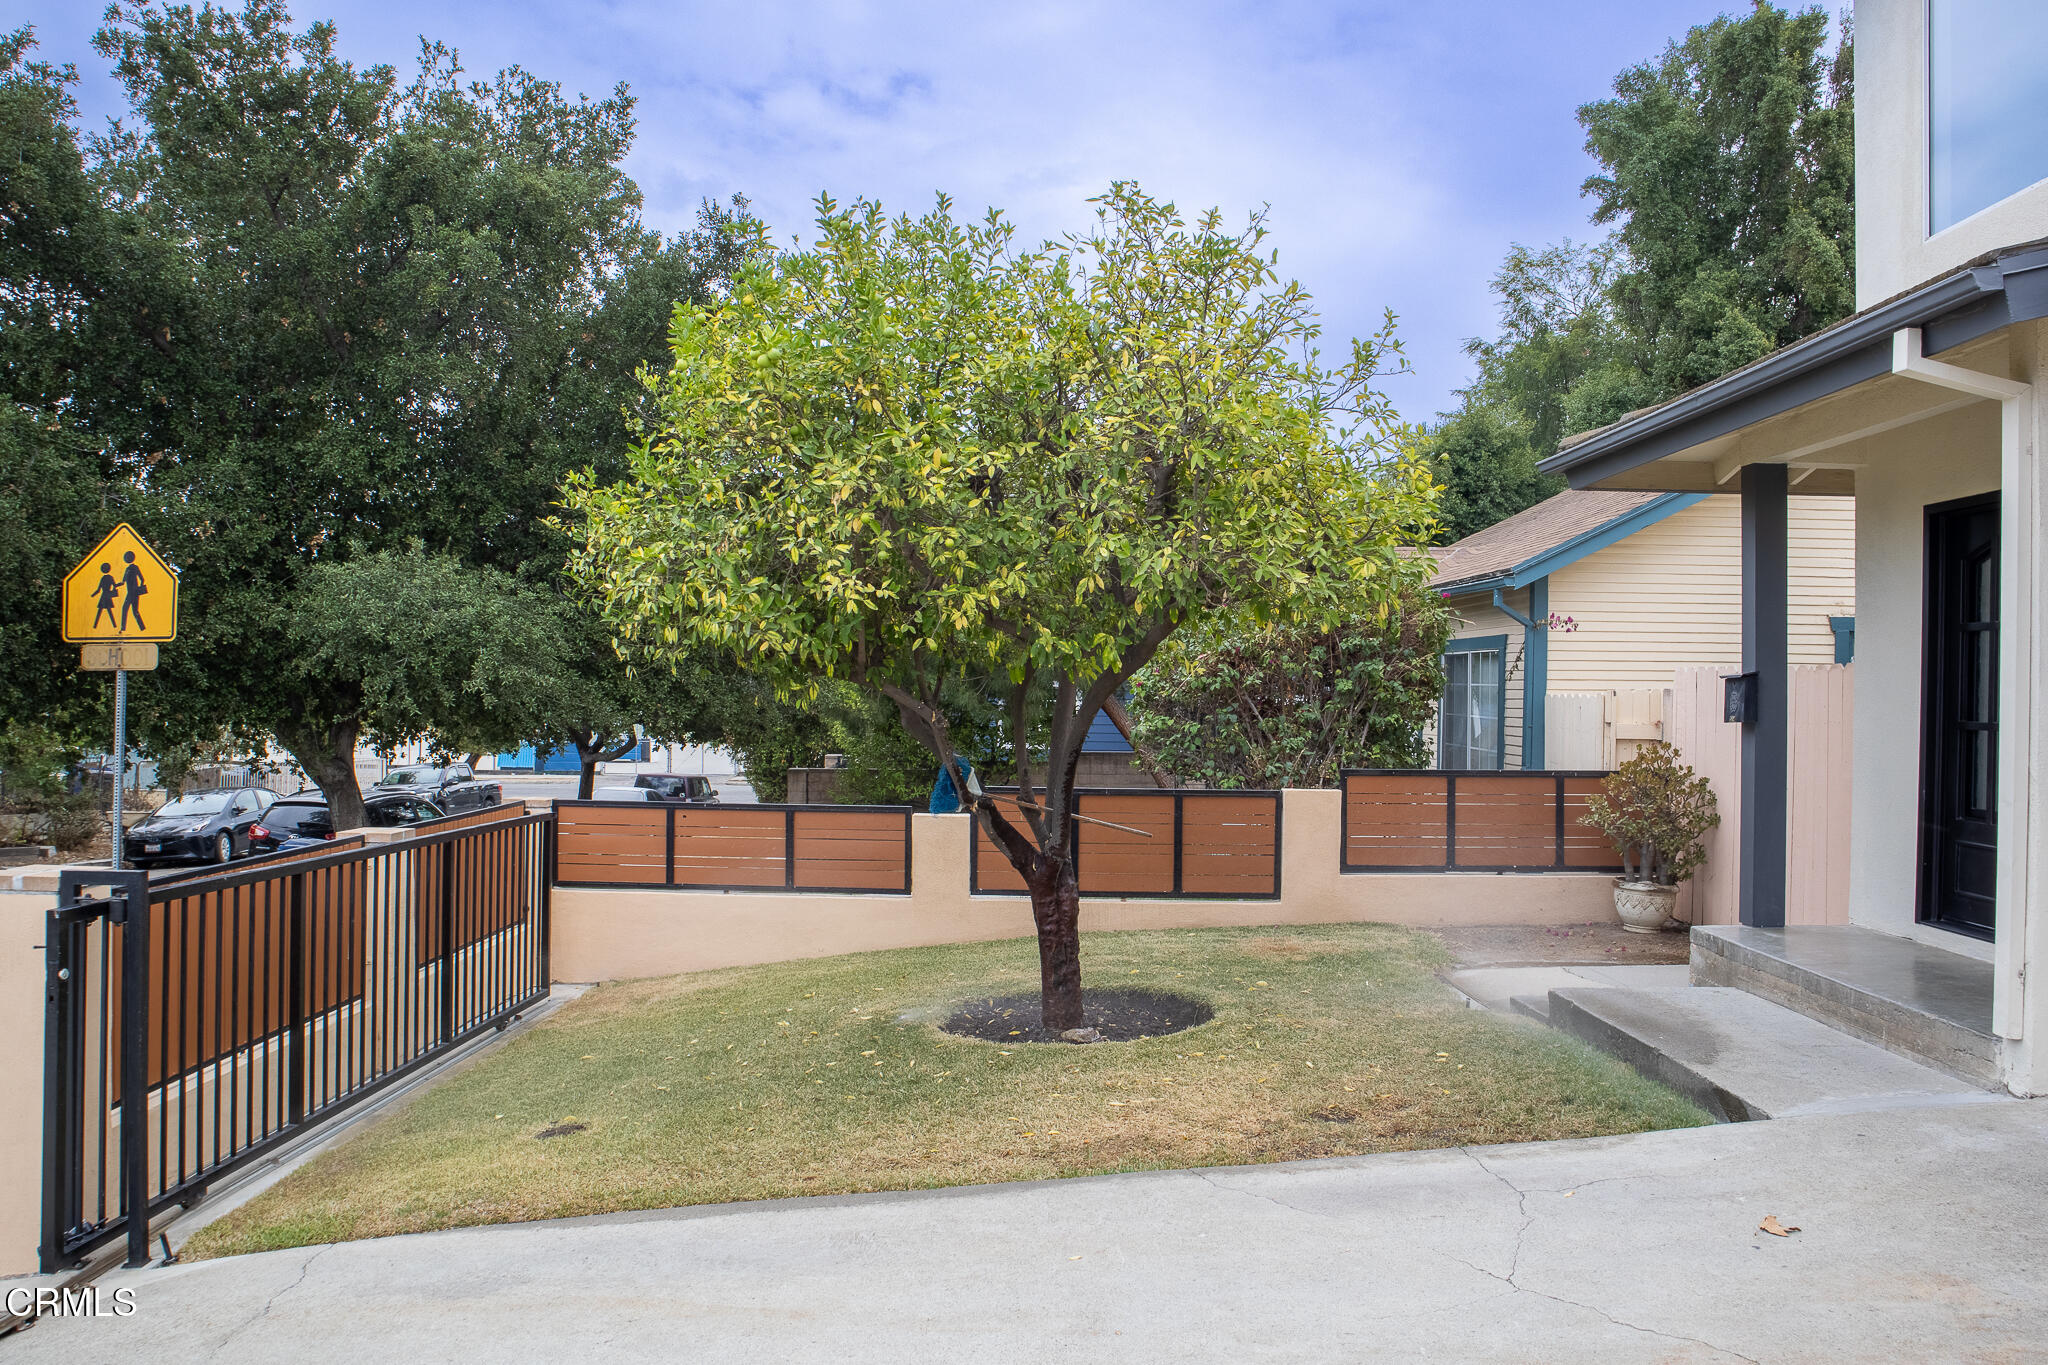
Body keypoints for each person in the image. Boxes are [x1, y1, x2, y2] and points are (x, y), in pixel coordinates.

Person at [118, 550, 147, 632]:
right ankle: (142, 628)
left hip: (134, 593)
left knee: (129, 610)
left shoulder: (135, 567)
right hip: (130, 593)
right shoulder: (127, 569)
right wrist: (115, 585)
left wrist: (140, 589)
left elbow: (142, 579)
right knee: (133, 611)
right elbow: (123, 582)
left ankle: (125, 628)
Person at [91, 564, 119, 629]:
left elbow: (98, 590)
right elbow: (115, 585)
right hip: (108, 596)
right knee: (108, 611)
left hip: (104, 596)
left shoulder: (103, 578)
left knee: (101, 611)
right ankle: (114, 626)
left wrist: (93, 595)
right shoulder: (110, 577)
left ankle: (95, 626)